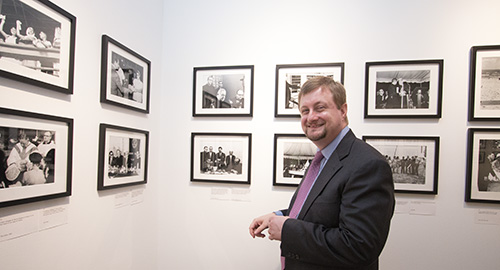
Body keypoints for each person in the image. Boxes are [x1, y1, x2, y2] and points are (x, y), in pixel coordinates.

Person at [249, 76, 395, 270]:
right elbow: (322, 212)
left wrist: (288, 230)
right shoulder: (325, 157)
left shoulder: (368, 164)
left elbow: (359, 246)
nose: (311, 117)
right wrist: (278, 216)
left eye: (320, 108)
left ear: (342, 111)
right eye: (305, 111)